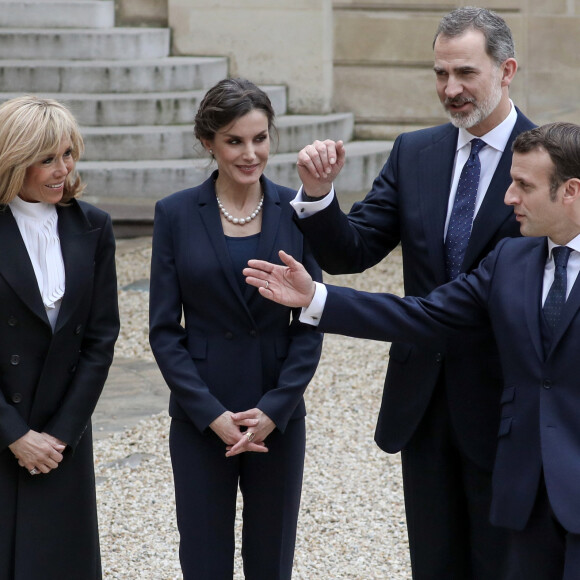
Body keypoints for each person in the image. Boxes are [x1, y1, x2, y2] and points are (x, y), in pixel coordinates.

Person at [245, 121, 580, 580]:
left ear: (570, 192)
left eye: (523, 185)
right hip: (523, 491)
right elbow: (425, 315)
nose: (509, 197)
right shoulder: (511, 260)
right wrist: (317, 299)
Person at [289, 6, 534, 578]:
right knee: (434, 562)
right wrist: (319, 197)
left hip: (507, 405)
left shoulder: (544, 157)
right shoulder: (414, 151)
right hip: (422, 402)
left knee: (505, 564)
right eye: (440, 73)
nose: (451, 89)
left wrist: (317, 303)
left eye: (466, 73)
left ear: (507, 70)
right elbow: (351, 252)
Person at [148, 77, 323, 580]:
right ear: (208, 141)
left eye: (260, 138)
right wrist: (209, 414)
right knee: (203, 561)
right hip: (203, 417)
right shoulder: (175, 214)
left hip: (277, 416)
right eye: (235, 140)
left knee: (272, 560)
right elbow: (164, 330)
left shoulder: (298, 211)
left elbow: (312, 320)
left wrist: (275, 407)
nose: (251, 153)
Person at [0, 96, 120, 579]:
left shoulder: (94, 226)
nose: (62, 170)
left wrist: (60, 435)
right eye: (46, 158)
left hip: (61, 436)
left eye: (68, 154)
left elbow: (100, 338)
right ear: (14, 160)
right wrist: (15, 435)